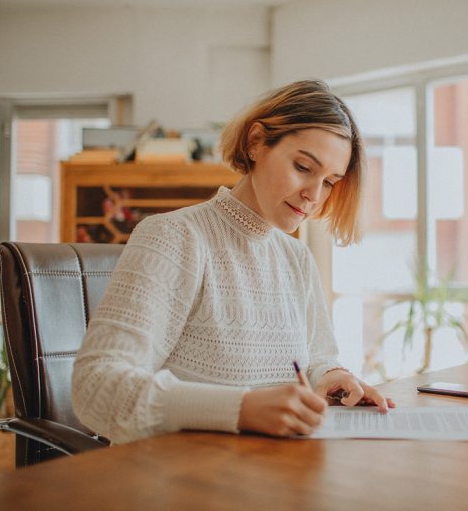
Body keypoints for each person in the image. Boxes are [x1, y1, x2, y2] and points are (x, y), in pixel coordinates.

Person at [72, 80, 394, 444]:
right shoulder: (174, 237)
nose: (314, 195)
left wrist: (331, 378)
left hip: (269, 474)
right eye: (304, 167)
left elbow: (318, 357)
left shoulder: (296, 258)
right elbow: (95, 387)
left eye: (330, 182)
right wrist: (242, 408)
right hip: (182, 480)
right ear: (256, 142)